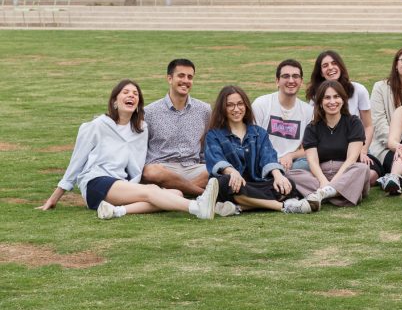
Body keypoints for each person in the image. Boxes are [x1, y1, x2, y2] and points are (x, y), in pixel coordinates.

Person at [38, 80, 219, 220]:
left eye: (135, 94)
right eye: (125, 92)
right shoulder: (96, 126)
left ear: (138, 103)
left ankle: (116, 211)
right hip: (96, 182)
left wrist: (137, 185)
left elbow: (137, 167)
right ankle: (197, 208)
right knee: (151, 192)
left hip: (122, 186)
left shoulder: (141, 130)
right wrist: (55, 197)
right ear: (115, 101)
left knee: (175, 194)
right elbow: (75, 163)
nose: (131, 96)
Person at [205, 85, 316, 214]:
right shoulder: (214, 135)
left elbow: (268, 156)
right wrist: (232, 172)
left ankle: (238, 207)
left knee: (288, 184)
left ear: (246, 106)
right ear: (222, 108)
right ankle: (283, 206)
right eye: (230, 105)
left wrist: (278, 175)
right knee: (222, 183)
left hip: (256, 184)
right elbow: (215, 158)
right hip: (233, 184)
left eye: (240, 104)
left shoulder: (259, 133)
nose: (236, 109)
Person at [289, 80, 373, 208]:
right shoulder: (312, 128)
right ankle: (338, 195)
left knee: (362, 168)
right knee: (291, 174)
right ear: (321, 103)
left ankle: (321, 195)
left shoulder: (353, 123)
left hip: (347, 174)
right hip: (321, 176)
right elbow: (312, 162)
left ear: (343, 100)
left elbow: (352, 158)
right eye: (327, 98)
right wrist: (323, 181)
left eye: (336, 96)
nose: (332, 102)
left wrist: (332, 183)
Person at [142, 58, 212, 197]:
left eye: (190, 77)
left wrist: (207, 166)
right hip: (163, 167)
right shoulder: (149, 112)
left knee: (217, 170)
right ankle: (201, 195)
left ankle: (173, 194)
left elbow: (205, 144)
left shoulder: (204, 110)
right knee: (150, 172)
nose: (186, 80)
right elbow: (141, 147)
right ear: (169, 78)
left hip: (192, 167)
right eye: (181, 76)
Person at [307, 50, 377, 179]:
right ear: (320, 72)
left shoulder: (358, 90)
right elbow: (314, 127)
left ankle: (330, 186)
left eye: (334, 63)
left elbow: (368, 126)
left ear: (340, 66)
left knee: (371, 175)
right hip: (326, 148)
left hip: (356, 144)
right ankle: (334, 185)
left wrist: (363, 150)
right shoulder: (316, 95)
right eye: (325, 65)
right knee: (299, 171)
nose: (330, 68)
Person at [369, 47, 402, 177]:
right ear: (396, 65)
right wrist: (398, 145)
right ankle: (393, 179)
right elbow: (379, 123)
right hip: (386, 147)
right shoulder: (380, 88)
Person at [252, 59, 313, 171]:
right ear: (277, 81)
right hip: (264, 160)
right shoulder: (261, 104)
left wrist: (290, 155)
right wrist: (273, 162)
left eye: (295, 76)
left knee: (309, 163)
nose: (291, 80)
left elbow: (308, 149)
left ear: (301, 81)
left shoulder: (309, 111)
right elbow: (253, 142)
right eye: (286, 76)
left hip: (292, 164)